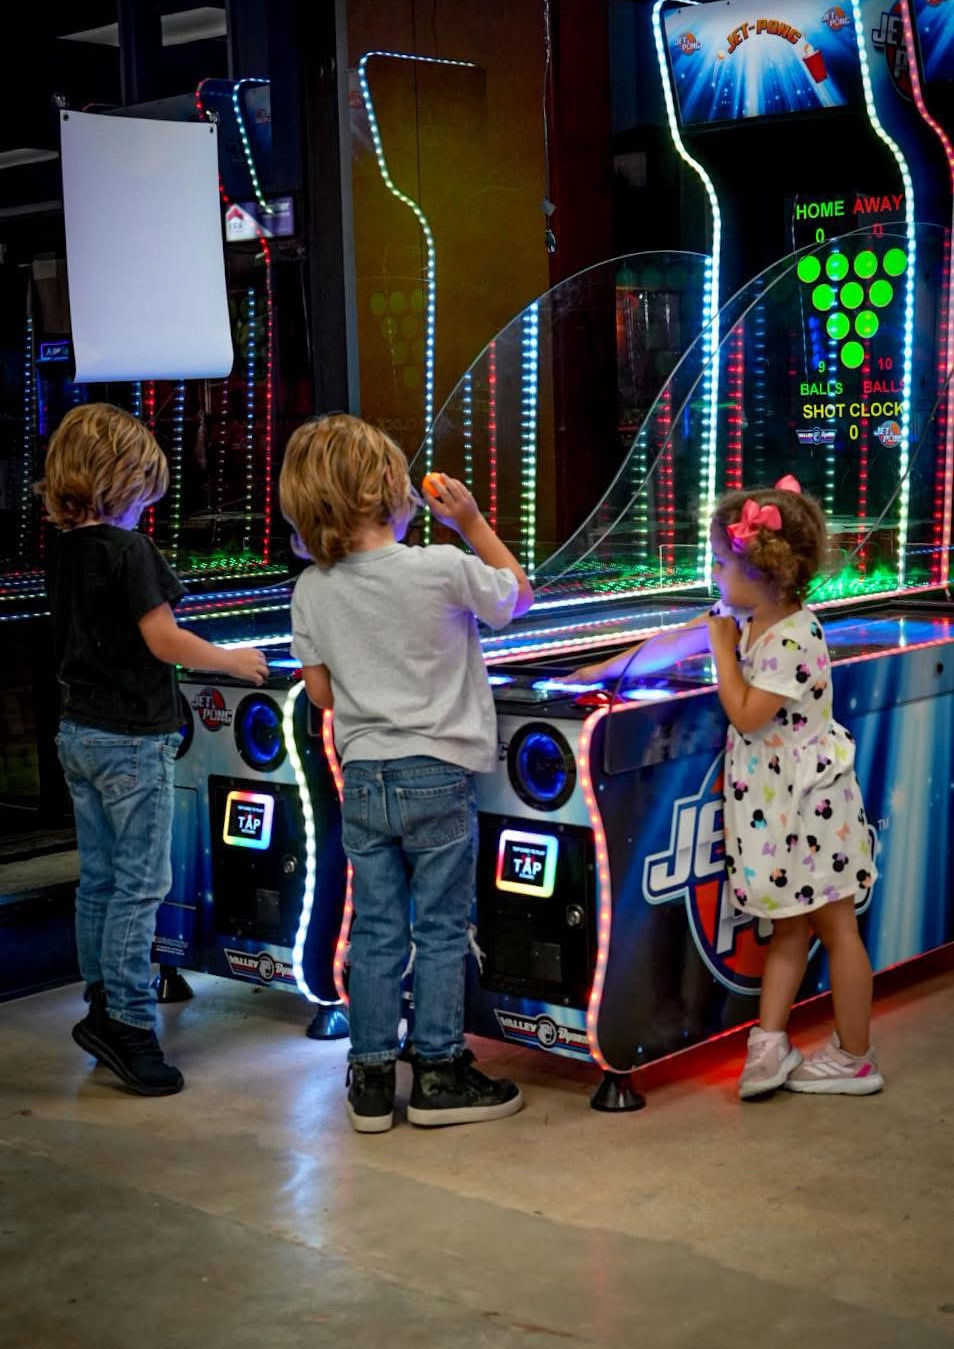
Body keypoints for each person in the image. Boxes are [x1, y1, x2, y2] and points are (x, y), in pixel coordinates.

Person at [574, 477, 881, 1099]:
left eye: (719, 562)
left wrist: (721, 651)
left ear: (762, 571)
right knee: (790, 927)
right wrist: (605, 668)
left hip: (812, 808)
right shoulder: (745, 617)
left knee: (836, 927)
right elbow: (679, 638)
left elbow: (745, 712)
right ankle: (769, 1045)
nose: (711, 573)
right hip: (775, 808)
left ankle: (855, 1056)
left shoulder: (795, 638)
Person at [280, 415, 534, 1132]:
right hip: (438, 773)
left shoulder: (312, 590)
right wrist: (473, 522)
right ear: (391, 489)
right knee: (444, 926)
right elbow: (516, 597)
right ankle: (439, 1072)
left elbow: (323, 694)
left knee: (377, 929)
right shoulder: (440, 568)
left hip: (363, 780)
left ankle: (367, 1079)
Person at [40, 403, 268, 1096]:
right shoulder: (129, 550)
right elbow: (163, 639)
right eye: (144, 491)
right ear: (122, 480)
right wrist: (232, 660)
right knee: (142, 883)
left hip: (77, 732)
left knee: (102, 877)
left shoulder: (65, 550)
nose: (148, 507)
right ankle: (130, 1023)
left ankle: (102, 997)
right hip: (132, 740)